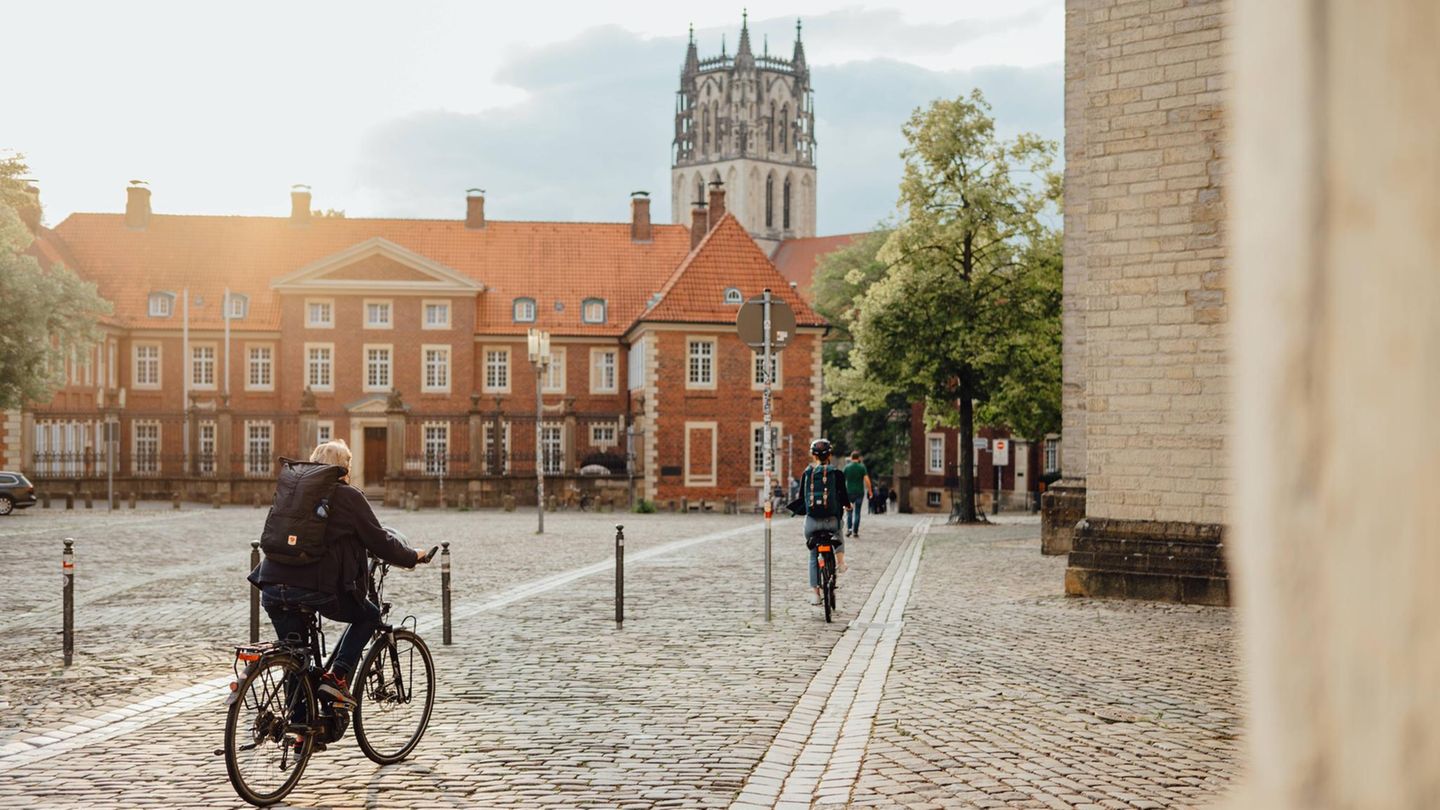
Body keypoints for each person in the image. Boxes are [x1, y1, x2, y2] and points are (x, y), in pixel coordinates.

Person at [248, 439, 430, 708]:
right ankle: (337, 676)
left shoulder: (293, 491)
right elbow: (379, 540)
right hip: (315, 589)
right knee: (369, 615)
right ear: (344, 469)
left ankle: (300, 732)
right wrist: (412, 556)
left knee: (295, 657)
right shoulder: (348, 495)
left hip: (271, 583)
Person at [800, 438, 850, 606]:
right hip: (831, 522)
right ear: (830, 454)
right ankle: (841, 563)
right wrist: (848, 506)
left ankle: (815, 593)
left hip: (812, 524)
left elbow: (801, 498)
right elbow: (843, 496)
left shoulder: (807, 473)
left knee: (813, 554)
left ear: (813, 455)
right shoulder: (837, 473)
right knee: (839, 531)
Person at [842, 450, 873, 538]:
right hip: (859, 492)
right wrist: (870, 491)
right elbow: (867, 480)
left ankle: (849, 529)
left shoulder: (847, 467)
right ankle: (855, 531)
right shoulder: (862, 467)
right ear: (858, 458)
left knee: (849, 511)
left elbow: (841, 480)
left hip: (849, 492)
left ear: (851, 458)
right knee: (857, 512)